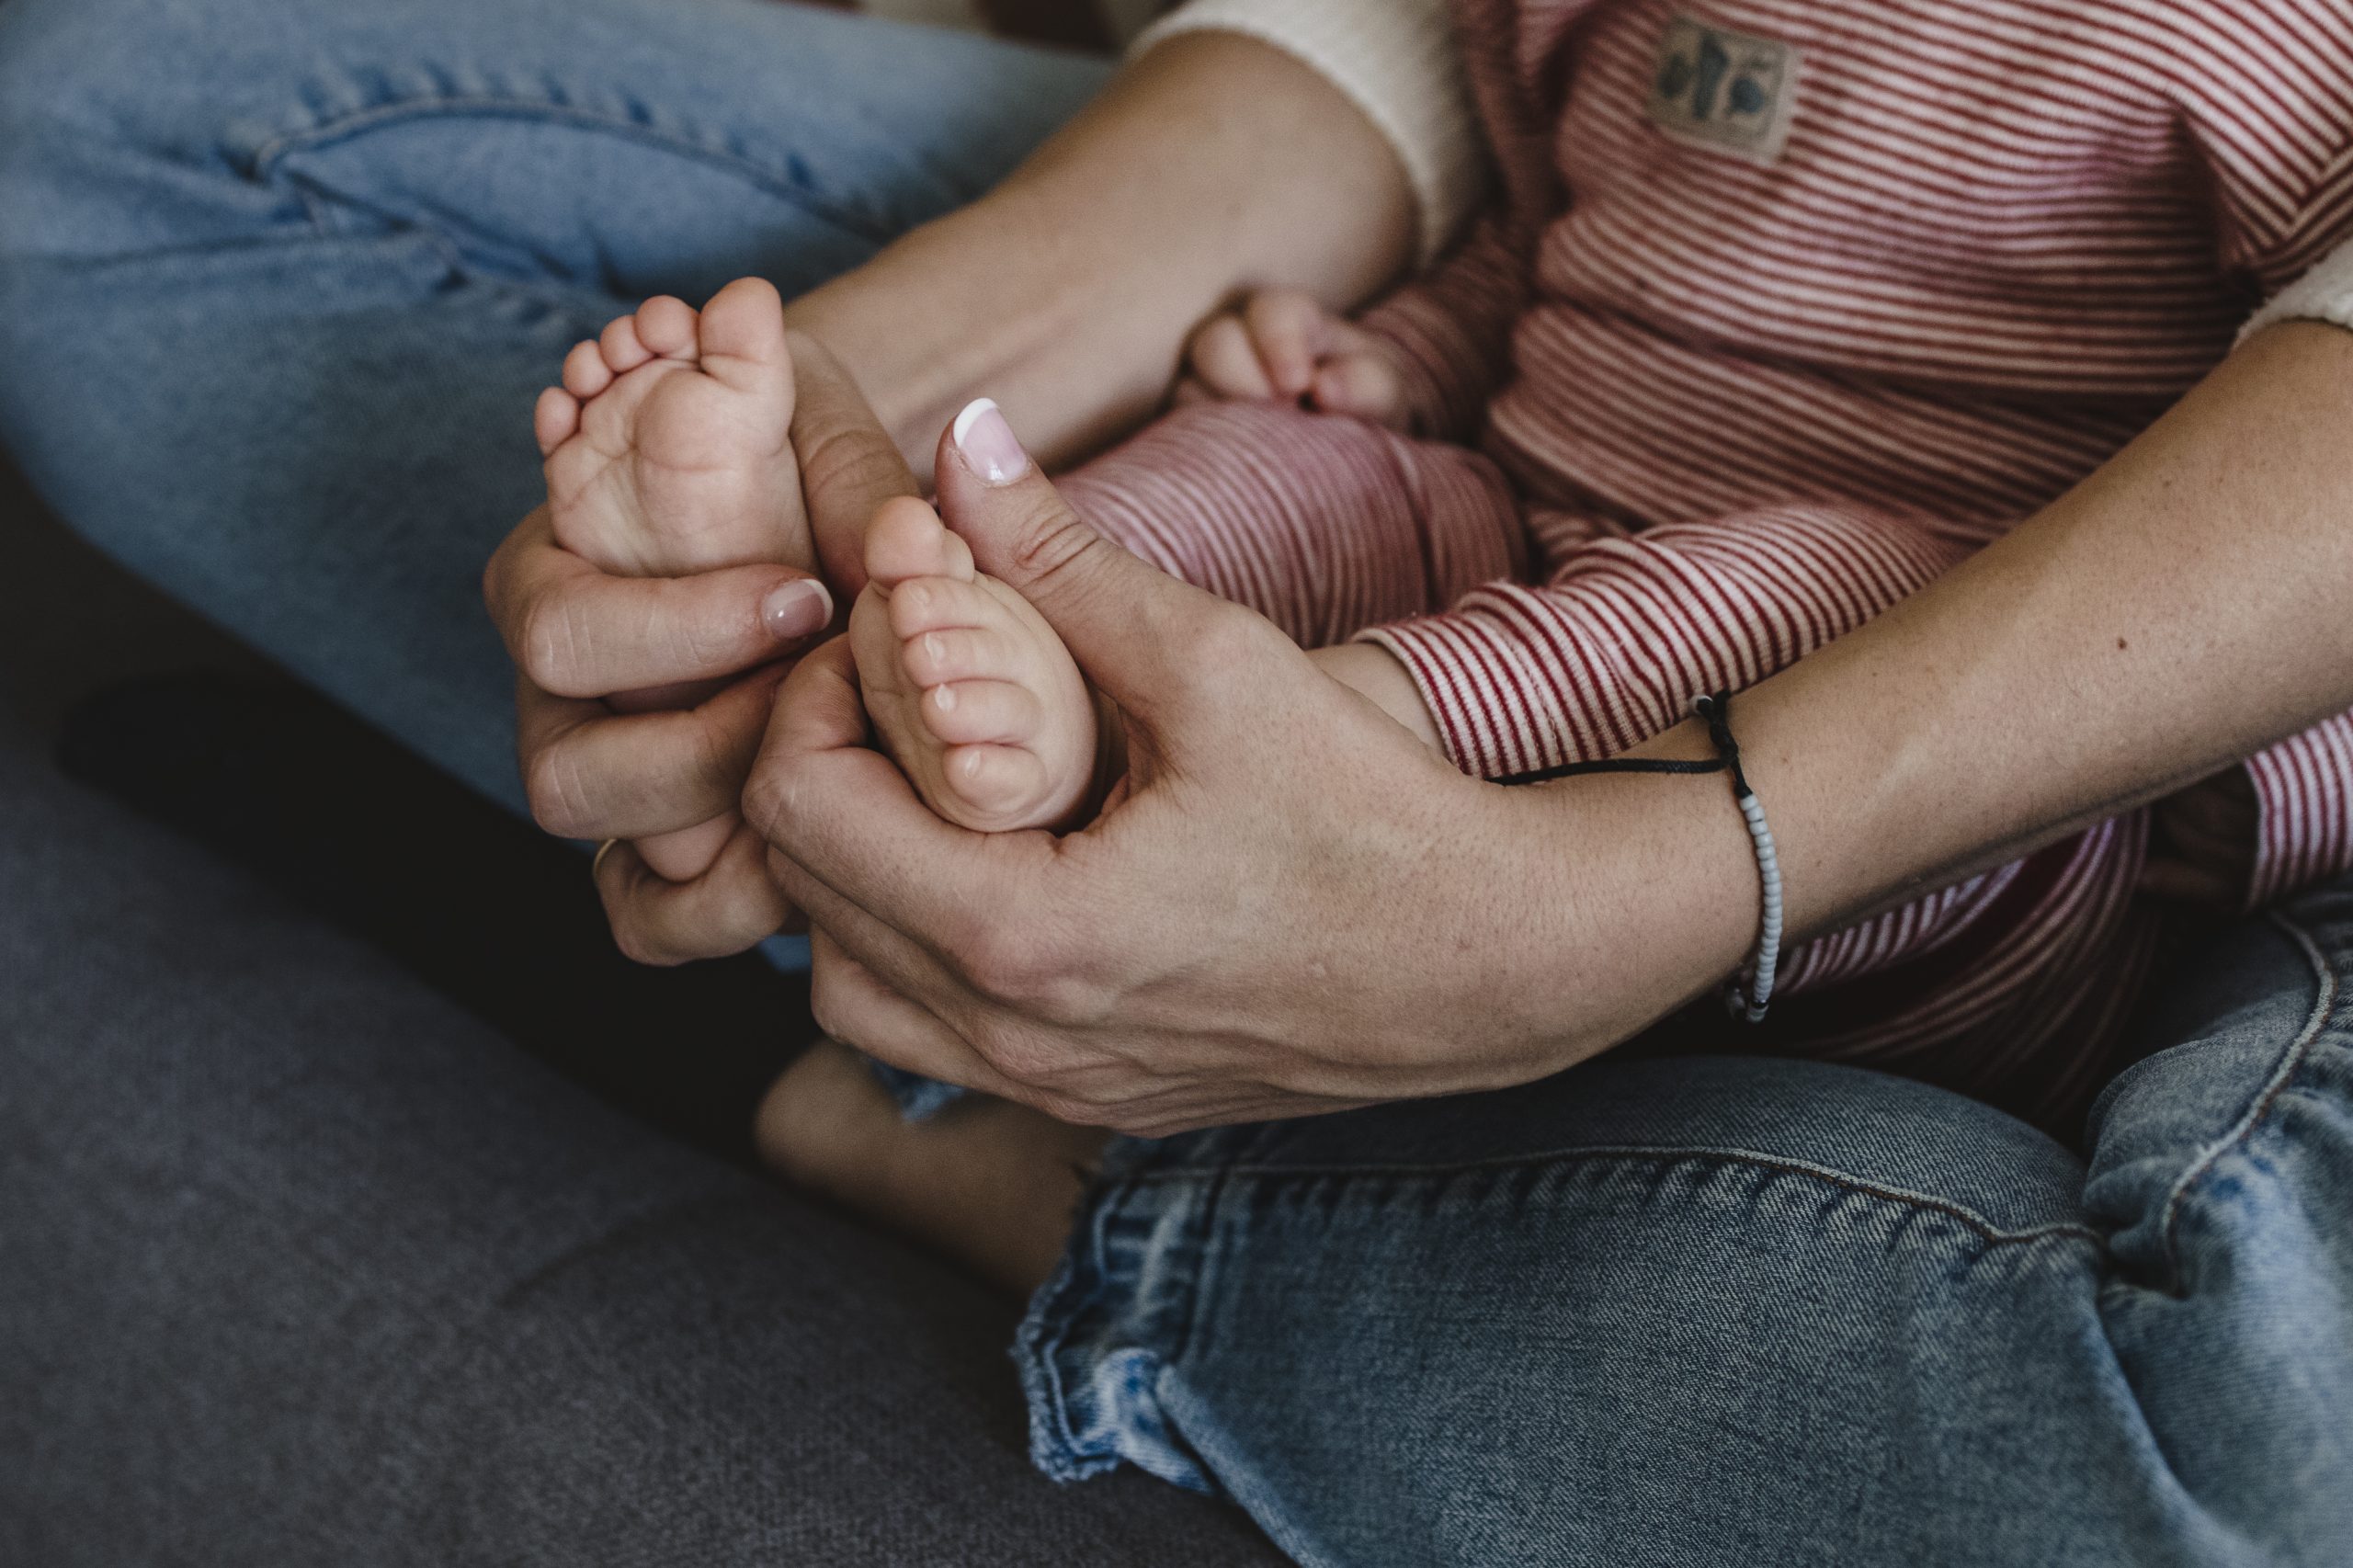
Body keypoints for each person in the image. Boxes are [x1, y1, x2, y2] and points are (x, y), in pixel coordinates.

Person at [4, 0, 2351, 1561]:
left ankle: (1073, 1107)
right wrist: (1328, 364)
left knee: (2262, 1452)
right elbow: (1546, 246)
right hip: (1502, 510)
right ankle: (979, 690)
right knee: (1268, 474)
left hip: (1962, 775)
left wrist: (1704, 841)